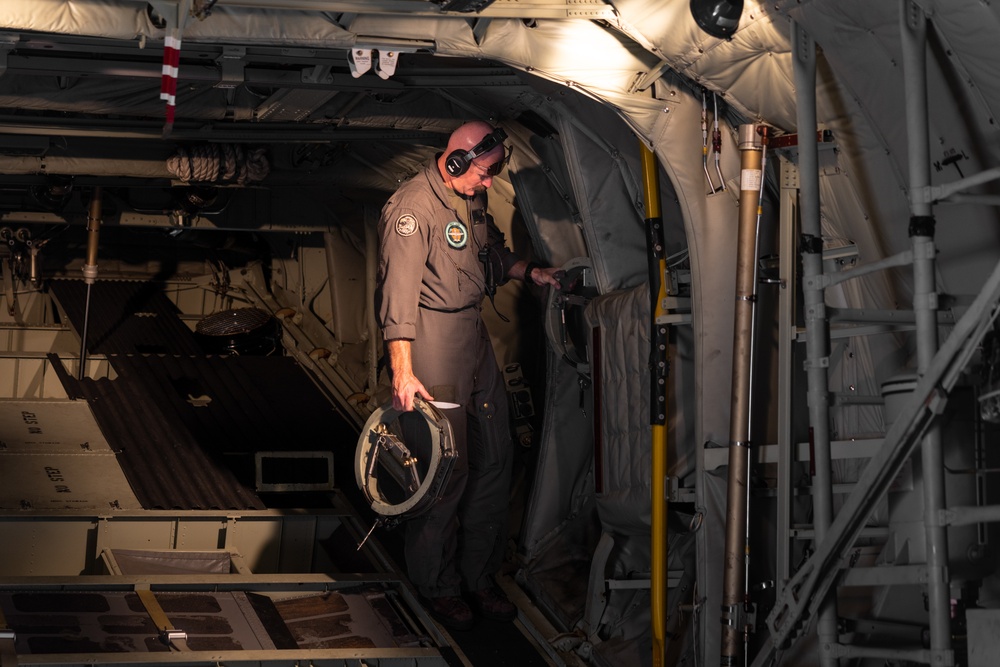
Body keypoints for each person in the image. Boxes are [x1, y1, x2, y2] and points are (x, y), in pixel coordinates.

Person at [375, 120, 562, 630]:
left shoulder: (471, 198)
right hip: (430, 342)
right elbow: (397, 300)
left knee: (495, 459)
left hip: (473, 338)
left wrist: (529, 271)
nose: (490, 184)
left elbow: (489, 254)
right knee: (444, 470)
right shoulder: (413, 209)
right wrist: (403, 373)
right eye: (485, 172)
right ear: (456, 161)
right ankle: (437, 586)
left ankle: (479, 577)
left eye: (495, 172)